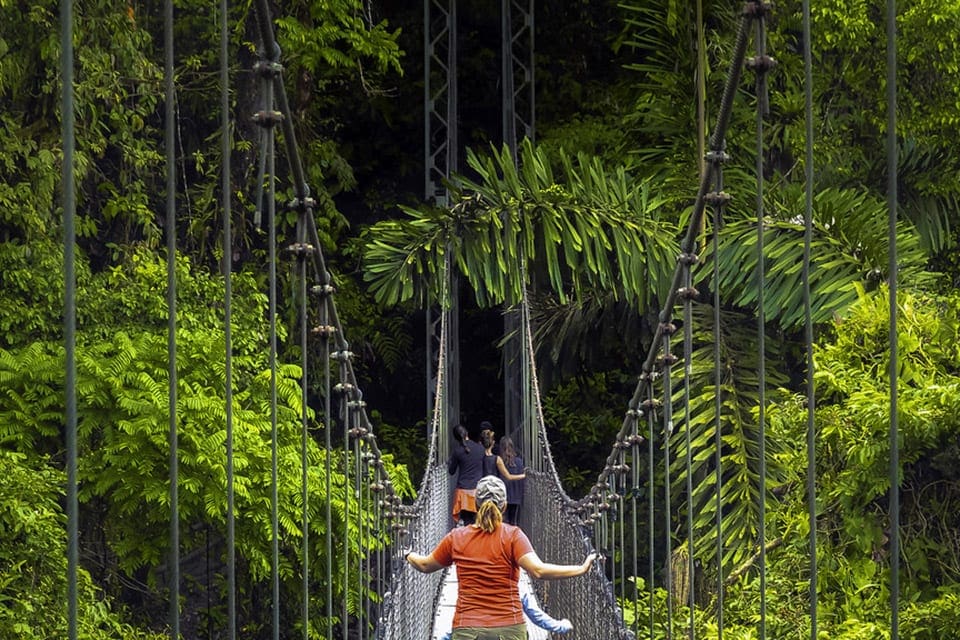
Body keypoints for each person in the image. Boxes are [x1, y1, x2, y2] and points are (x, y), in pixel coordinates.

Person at [405, 475, 596, 640]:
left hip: (468, 629)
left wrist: (407, 554)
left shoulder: (457, 537)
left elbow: (424, 565)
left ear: (474, 504)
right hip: (510, 628)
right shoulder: (513, 536)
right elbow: (538, 571)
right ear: (504, 506)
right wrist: (580, 568)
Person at [448, 424, 485, 525]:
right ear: (467, 433)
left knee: (466, 522)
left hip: (463, 492)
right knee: (478, 521)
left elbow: (451, 471)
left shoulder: (457, 451)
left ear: (456, 438)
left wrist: (450, 462)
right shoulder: (481, 449)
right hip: (477, 490)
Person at [497, 436, 525, 526]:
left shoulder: (499, 462)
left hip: (502, 496)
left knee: (503, 522)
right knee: (514, 522)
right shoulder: (519, 462)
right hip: (516, 497)